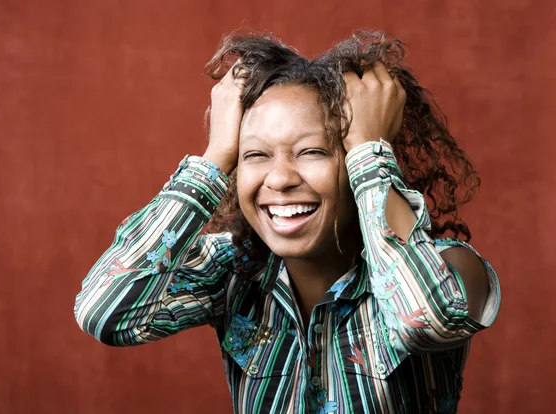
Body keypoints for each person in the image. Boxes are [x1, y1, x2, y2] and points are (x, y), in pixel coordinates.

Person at [74, 31, 500, 413]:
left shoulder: (452, 269)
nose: (278, 178)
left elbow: (423, 319)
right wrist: (215, 156)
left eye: (312, 152)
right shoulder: (233, 270)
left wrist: (369, 149)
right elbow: (106, 313)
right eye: (255, 156)